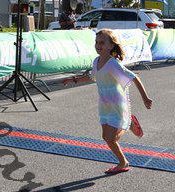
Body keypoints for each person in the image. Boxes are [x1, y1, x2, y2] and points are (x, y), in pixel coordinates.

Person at [63, 29, 152, 174]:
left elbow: (134, 77)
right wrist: (73, 79)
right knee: (106, 137)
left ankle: (129, 123)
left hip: (117, 104)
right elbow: (92, 77)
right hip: (104, 104)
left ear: (111, 46)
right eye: (96, 42)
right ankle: (123, 163)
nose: (98, 45)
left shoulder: (112, 64)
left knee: (110, 138)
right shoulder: (96, 61)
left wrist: (145, 98)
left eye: (102, 43)